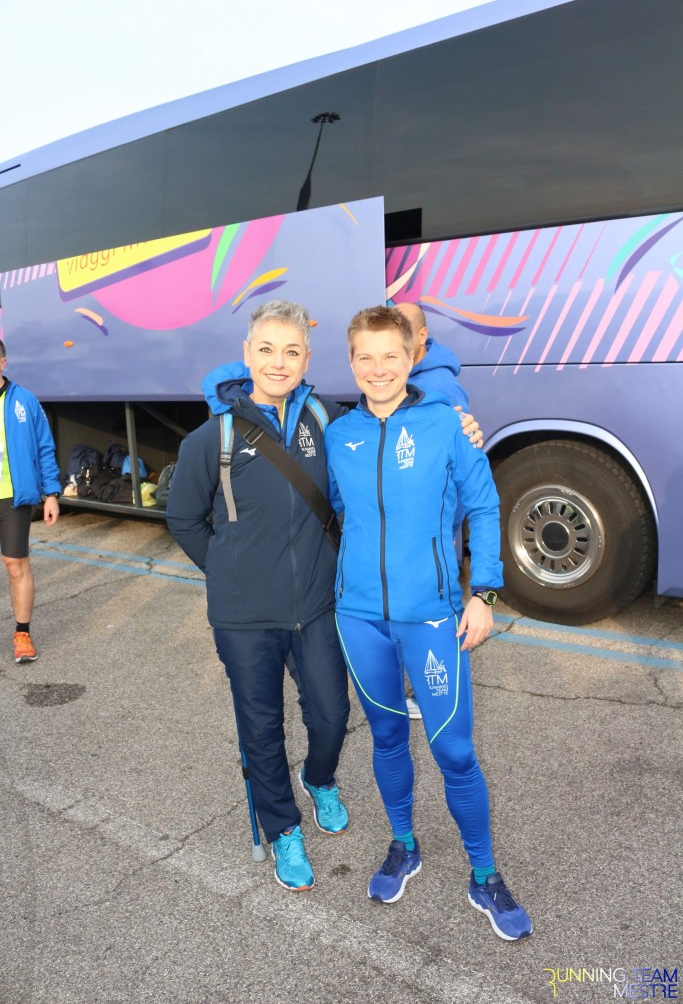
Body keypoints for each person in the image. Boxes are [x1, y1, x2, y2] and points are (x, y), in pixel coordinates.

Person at [325, 306, 532, 941]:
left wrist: (483, 594)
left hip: (434, 617)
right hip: (359, 616)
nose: (378, 369)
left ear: (412, 356)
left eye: (391, 355)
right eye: (365, 357)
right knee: (387, 737)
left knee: (455, 751)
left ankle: (484, 875)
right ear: (351, 362)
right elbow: (338, 510)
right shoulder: (339, 434)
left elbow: (485, 505)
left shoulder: (446, 423)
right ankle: (404, 844)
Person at [167, 301, 350, 893]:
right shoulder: (213, 437)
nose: (278, 362)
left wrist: (454, 419)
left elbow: (387, 427)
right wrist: (229, 572)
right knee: (262, 728)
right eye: (266, 349)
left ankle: (319, 778)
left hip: (315, 606)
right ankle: (283, 828)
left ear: (306, 359)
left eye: (291, 351)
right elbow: (183, 518)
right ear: (247, 355)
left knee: (332, 715)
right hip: (245, 616)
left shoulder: (325, 419)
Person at [394, 302, 480, 721]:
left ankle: (434, 697)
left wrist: (444, 527)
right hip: (409, 530)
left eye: (404, 332)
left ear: (422, 336)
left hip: (431, 533)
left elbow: (463, 476)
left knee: (435, 617)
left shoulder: (442, 388)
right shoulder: (402, 377)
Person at [0, 340, 61, 663]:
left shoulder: (24, 400)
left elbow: (44, 448)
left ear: (3, 362)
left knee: (16, 565)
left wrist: (51, 494)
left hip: (13, 497)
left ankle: (22, 633)